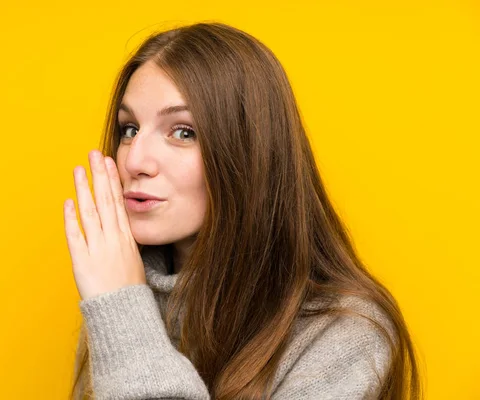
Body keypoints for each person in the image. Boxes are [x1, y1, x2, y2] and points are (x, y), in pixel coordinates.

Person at [63, 22, 422, 399]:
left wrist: (124, 316)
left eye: (183, 132)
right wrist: (120, 310)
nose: (135, 159)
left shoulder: (346, 334)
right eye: (129, 129)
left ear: (248, 153)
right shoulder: (120, 296)